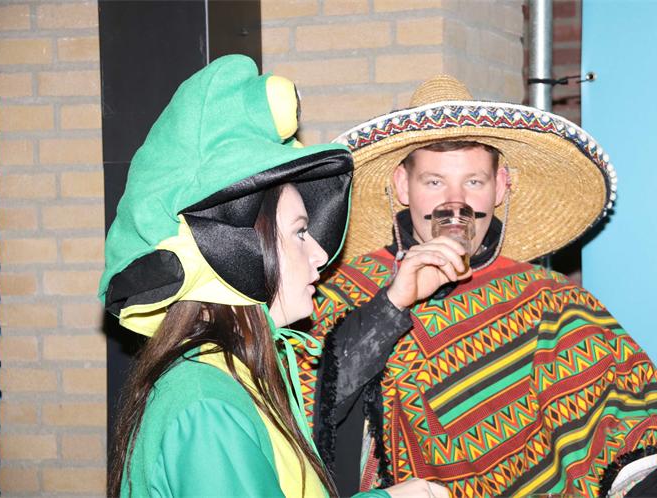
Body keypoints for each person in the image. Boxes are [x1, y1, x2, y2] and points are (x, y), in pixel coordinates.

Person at [300, 75, 657, 497]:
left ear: (500, 186)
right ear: (403, 186)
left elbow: (625, 412)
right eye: (434, 182)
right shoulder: (346, 289)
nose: (456, 203)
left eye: (474, 182)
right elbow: (304, 402)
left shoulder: (549, 298)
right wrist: (391, 306)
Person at [99, 55, 448, 498]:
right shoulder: (206, 403)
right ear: (233, 248)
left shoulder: (233, 377)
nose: (320, 253)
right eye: (300, 232)